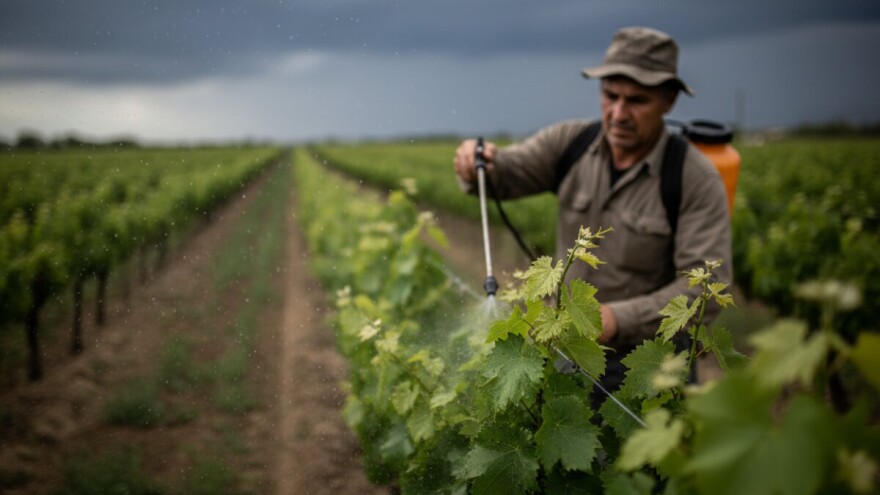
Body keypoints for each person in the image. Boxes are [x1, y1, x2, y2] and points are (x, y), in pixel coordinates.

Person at [453, 27, 732, 398]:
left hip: (652, 371)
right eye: (610, 95)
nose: (618, 113)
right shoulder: (571, 143)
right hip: (568, 354)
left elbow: (706, 292)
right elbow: (506, 173)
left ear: (669, 102)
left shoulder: (693, 179)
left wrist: (616, 320)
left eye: (637, 100)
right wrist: (476, 163)